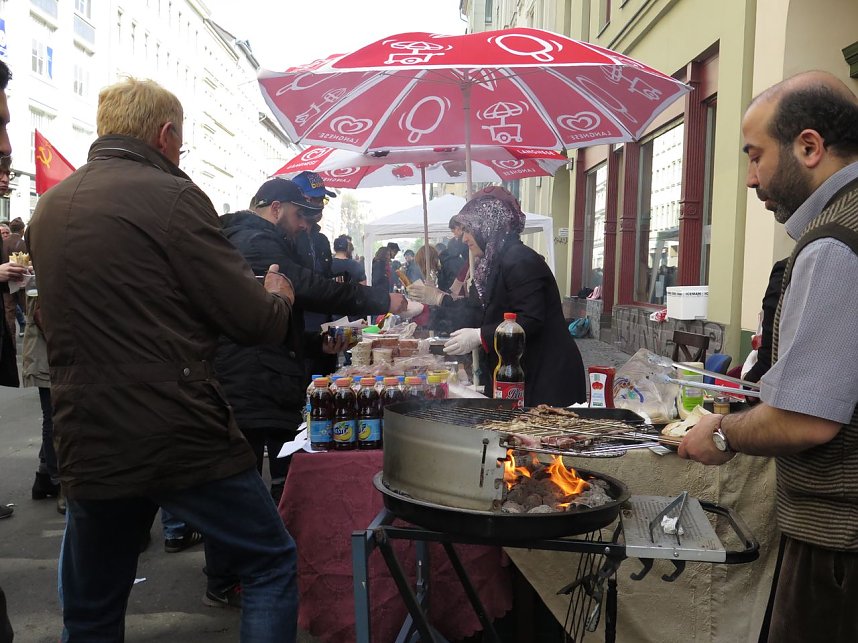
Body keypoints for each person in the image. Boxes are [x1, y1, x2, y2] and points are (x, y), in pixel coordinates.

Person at [26, 77, 301, 642]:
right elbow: (252, 321)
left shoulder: (50, 207)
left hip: (89, 430)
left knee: (94, 605)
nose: (180, 153)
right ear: (165, 133)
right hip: (175, 425)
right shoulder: (173, 197)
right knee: (270, 561)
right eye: (182, 142)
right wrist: (278, 298)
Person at [679, 71, 858, 643]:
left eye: (755, 156)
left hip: (840, 545)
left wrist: (722, 433)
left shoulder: (835, 242)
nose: (752, 179)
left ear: (809, 147)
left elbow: (807, 419)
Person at [216, 178, 406, 501]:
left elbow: (268, 327)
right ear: (275, 209)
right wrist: (383, 301)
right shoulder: (255, 241)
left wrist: (316, 343)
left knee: (257, 491)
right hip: (251, 383)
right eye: (298, 216)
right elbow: (312, 288)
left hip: (260, 377)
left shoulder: (254, 237)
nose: (305, 225)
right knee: (242, 498)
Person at [430, 186, 587, 407]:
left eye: (468, 229)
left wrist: (480, 335)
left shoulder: (520, 260)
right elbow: (476, 311)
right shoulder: (492, 262)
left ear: (488, 225)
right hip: (521, 370)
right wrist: (430, 308)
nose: (464, 238)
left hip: (546, 375)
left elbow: (530, 319)